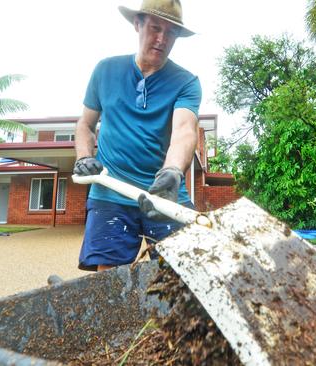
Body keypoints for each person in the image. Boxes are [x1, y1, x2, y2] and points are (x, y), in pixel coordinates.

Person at [73, 0, 202, 271]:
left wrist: (173, 171)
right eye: (155, 28)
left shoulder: (186, 82)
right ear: (137, 24)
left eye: (171, 33)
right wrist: (84, 157)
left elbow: (184, 130)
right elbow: (85, 124)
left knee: (186, 277)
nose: (161, 39)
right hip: (111, 194)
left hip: (164, 195)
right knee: (109, 285)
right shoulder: (105, 71)